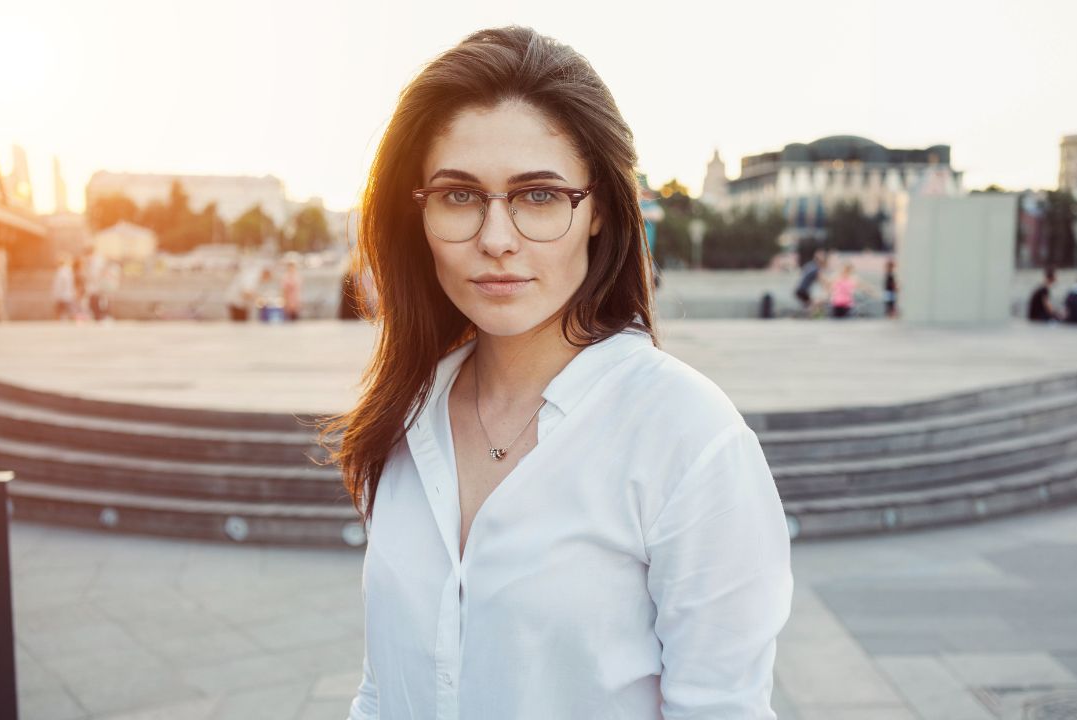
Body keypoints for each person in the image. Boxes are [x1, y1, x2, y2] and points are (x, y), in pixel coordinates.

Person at [327, 27, 792, 720]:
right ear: (415, 211)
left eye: (538, 196)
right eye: (459, 196)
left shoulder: (689, 439)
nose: (496, 238)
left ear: (599, 208)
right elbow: (383, 690)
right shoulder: (406, 417)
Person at [282, 257, 302, 321]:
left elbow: (299, 290)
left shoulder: (297, 276)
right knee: (288, 319)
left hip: (296, 301)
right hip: (288, 301)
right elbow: (284, 290)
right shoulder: (285, 277)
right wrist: (285, 302)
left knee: (296, 318)